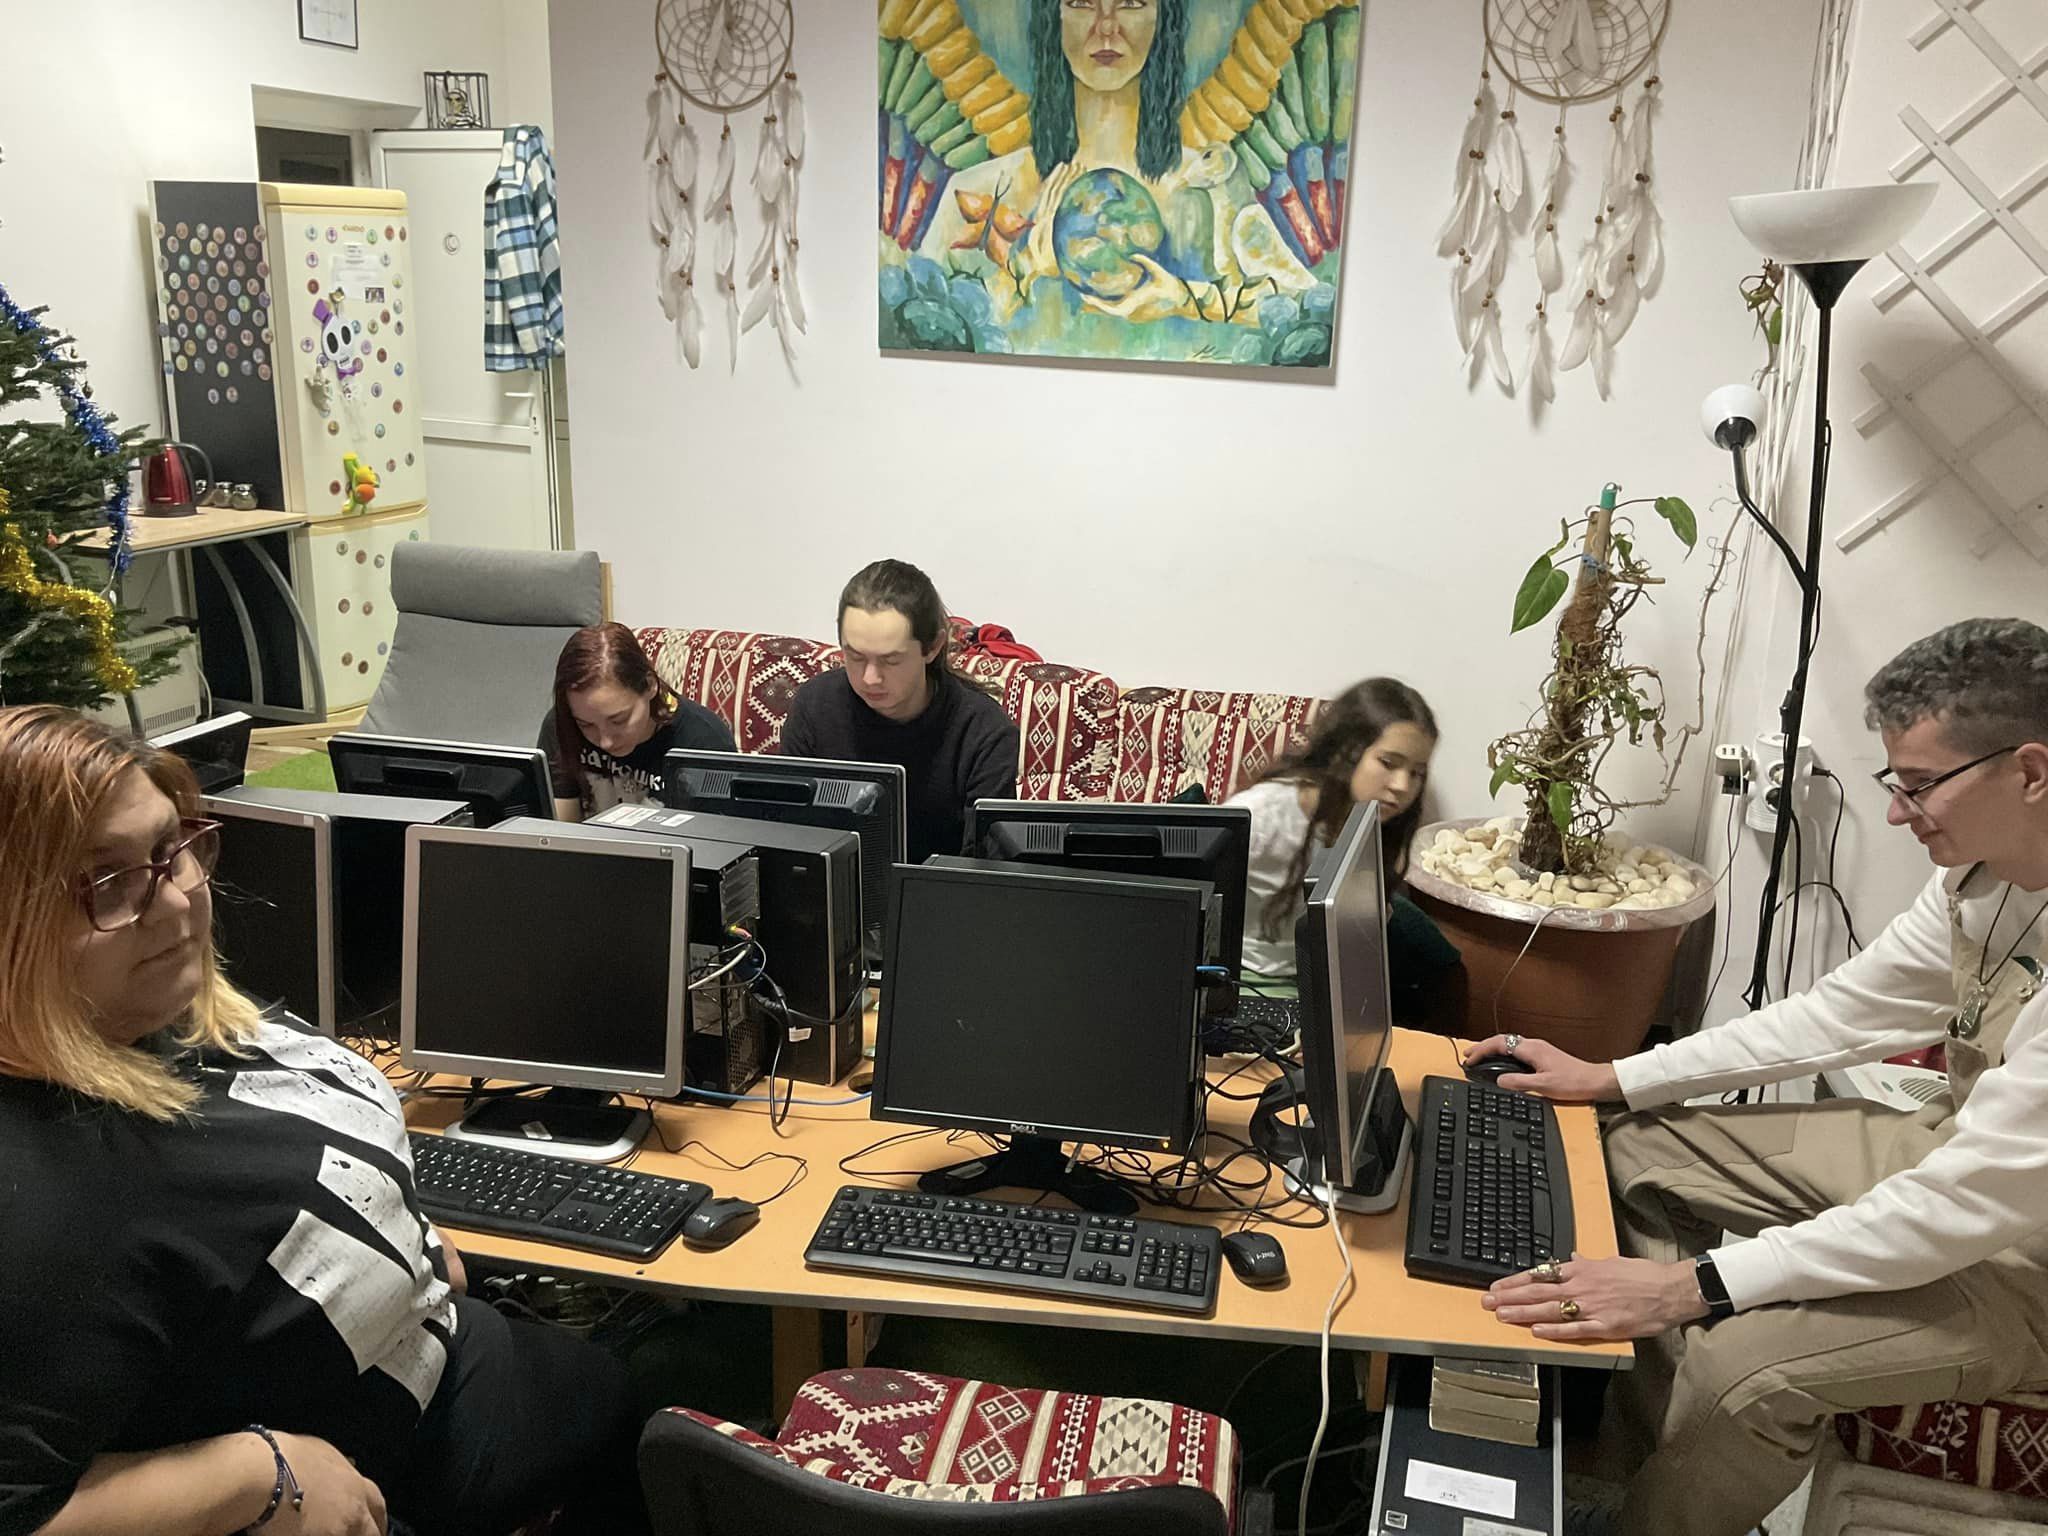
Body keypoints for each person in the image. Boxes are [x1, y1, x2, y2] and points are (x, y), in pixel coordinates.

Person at [0, 706, 649, 1536]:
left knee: (619, 1397)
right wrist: (255, 1474)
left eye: (170, 849)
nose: (174, 900)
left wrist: (405, 1234)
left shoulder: (154, 1007)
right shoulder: (48, 1199)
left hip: (438, 1344)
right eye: (107, 881)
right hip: (382, 1471)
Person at [1464, 618, 2048, 1536]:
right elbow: (1838, 1014)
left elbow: (1968, 1202)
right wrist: (1616, 1075)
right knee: (1637, 1153)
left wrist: (1695, 1285)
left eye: (1919, 784)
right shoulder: (1984, 876)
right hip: (1963, 1157)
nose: (1898, 813)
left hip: (2027, 1255)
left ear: (2031, 771)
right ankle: (1631, 1471)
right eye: (1893, 783)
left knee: (1747, 1372)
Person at [1226, 678, 1464, 1026]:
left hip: (1324, 978)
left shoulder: (1377, 823)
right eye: (1388, 763)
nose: (1403, 786)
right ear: (1345, 751)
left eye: (1417, 772)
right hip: (1252, 984)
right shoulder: (1261, 814)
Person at [780, 559, 1019, 865]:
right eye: (855, 657)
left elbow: (986, 870)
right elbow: (787, 832)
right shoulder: (815, 706)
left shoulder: (983, 732)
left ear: (932, 647)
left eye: (891, 660)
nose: (870, 678)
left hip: (939, 891)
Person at [540, 621, 734, 820]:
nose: (606, 741)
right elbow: (558, 826)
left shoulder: (704, 742)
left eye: (618, 720)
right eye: (586, 725)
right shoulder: (562, 724)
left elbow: (717, 834)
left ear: (650, 686)